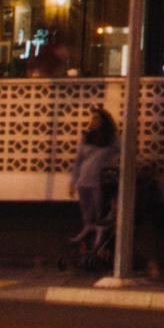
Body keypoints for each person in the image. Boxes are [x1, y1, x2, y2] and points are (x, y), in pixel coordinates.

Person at [68, 111, 119, 272]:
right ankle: (87, 231)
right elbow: (78, 161)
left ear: (104, 121)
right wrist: (73, 181)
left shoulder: (111, 140)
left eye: (97, 118)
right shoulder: (87, 137)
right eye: (93, 118)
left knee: (100, 213)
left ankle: (98, 240)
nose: (93, 121)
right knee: (87, 212)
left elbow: (123, 152)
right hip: (84, 179)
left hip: (99, 181)